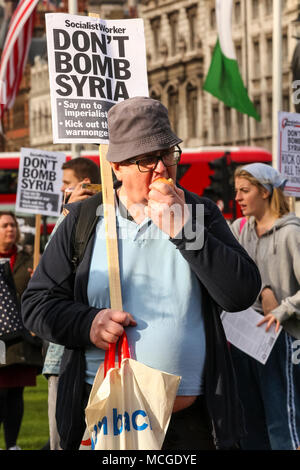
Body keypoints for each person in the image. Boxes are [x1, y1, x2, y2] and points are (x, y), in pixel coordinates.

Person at [22, 97, 261, 450]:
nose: (163, 168)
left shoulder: (198, 213)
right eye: (147, 159)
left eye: (168, 154)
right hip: (108, 420)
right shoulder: (83, 220)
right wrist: (86, 323)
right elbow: (37, 303)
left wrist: (184, 232)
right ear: (116, 166)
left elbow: (240, 293)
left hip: (190, 427)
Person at [231, 163, 300, 450]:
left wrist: (283, 309)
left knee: (282, 419)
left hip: (282, 340)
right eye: (236, 191)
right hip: (244, 337)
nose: (237, 198)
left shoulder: (291, 233)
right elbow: (230, 274)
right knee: (249, 418)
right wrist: (263, 290)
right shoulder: (238, 228)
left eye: (245, 191)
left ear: (265, 191)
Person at [42, 156, 101, 450]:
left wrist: (70, 214)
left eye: (66, 184)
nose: (61, 190)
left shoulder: (92, 221)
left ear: (85, 184)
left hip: (84, 356)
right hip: (59, 352)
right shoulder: (70, 219)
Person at [0, 211, 43, 450]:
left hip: (20, 336)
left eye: (13, 225)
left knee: (15, 392)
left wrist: (39, 278)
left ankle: (12, 444)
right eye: (5, 225)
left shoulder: (30, 258)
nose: (10, 230)